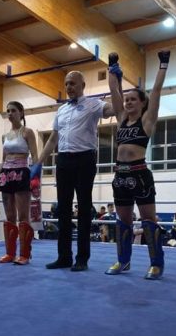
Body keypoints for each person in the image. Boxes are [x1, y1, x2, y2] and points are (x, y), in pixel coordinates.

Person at [32, 70, 116, 272]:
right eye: (66, 83)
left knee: (84, 209)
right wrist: (38, 163)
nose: (69, 87)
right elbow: (53, 139)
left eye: (73, 83)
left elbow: (115, 109)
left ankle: (82, 258)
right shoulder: (61, 110)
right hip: (63, 160)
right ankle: (64, 257)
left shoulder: (94, 104)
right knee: (63, 209)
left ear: (82, 85)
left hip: (85, 159)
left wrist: (116, 82)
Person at [104, 50, 170, 280]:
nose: (128, 102)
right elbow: (114, 90)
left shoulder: (147, 120)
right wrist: (112, 66)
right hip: (120, 176)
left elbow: (157, 91)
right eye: (127, 99)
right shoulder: (121, 118)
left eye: (133, 99)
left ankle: (156, 264)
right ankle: (123, 261)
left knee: (148, 221)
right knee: (123, 221)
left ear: (143, 103)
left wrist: (163, 64)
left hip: (140, 175)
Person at [0, 101, 38, 265]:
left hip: (22, 172)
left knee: (23, 215)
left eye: (13, 110)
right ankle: (10, 253)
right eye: (8, 111)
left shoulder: (27, 132)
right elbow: (3, 158)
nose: (10, 113)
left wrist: (35, 177)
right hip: (6, 174)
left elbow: (35, 156)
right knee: (10, 215)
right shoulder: (4, 136)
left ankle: (25, 254)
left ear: (21, 113)